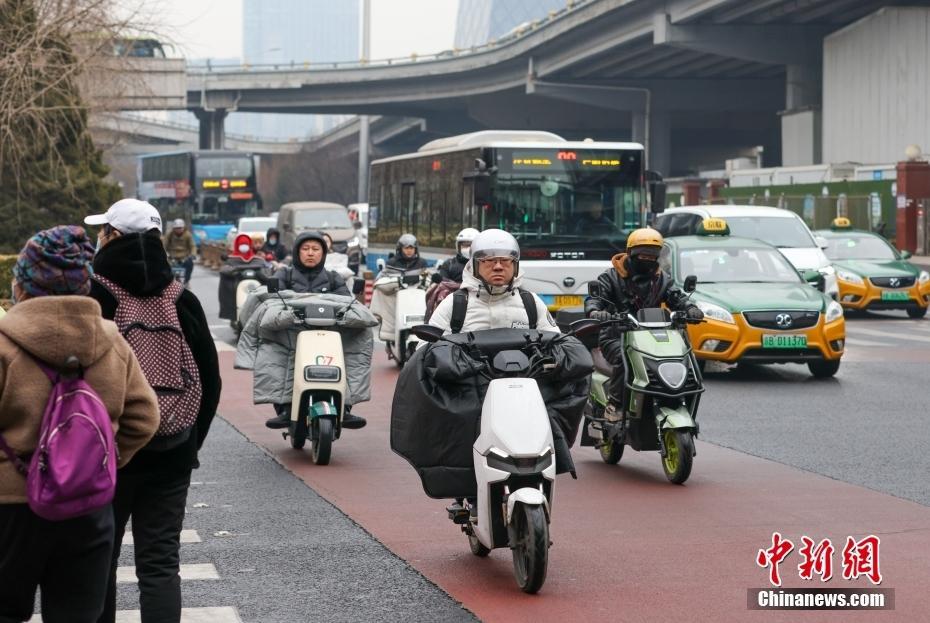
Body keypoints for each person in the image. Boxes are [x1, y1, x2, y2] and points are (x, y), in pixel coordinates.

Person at [0, 226, 159, 623]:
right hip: (87, 505)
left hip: (11, 507)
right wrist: (97, 459)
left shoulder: (4, 343)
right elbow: (144, 415)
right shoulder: (112, 342)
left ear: (23, 285)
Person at [84, 199, 222, 623]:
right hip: (172, 450)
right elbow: (210, 381)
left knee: (99, 562)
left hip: (107, 455)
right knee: (160, 563)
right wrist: (188, 444)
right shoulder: (182, 298)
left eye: (102, 229)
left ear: (112, 237)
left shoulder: (95, 296)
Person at [584, 227, 703, 420]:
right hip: (617, 335)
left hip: (652, 335)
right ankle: (614, 404)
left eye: (652, 255)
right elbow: (594, 299)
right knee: (626, 360)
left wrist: (690, 309)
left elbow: (677, 297)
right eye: (642, 254)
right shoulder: (610, 277)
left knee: (683, 356)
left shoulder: (662, 279)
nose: (647, 258)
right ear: (630, 253)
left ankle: (677, 399)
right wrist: (596, 311)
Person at [265, 231, 367, 430]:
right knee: (276, 356)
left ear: (323, 253)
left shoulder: (333, 278)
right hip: (291, 336)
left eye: (315, 249)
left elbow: (347, 303)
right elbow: (272, 303)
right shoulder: (283, 275)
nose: (310, 253)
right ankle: (285, 408)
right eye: (305, 249)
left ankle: (345, 405)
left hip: (329, 336)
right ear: (296, 252)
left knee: (355, 349)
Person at [429, 229, 559, 334]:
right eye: (489, 260)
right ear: (475, 265)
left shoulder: (531, 303)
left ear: (515, 265)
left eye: (506, 260)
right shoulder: (454, 304)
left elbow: (556, 342)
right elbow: (427, 349)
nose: (498, 266)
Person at [162, 218, 196, 285]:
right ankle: (167, 282)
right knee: (164, 266)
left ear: (183, 228)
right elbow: (164, 245)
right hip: (172, 257)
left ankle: (186, 281)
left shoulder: (188, 235)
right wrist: (163, 254)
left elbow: (192, 246)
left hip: (184, 257)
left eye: (180, 228)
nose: (178, 230)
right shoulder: (169, 234)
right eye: (176, 228)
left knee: (190, 264)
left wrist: (193, 254)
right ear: (173, 228)